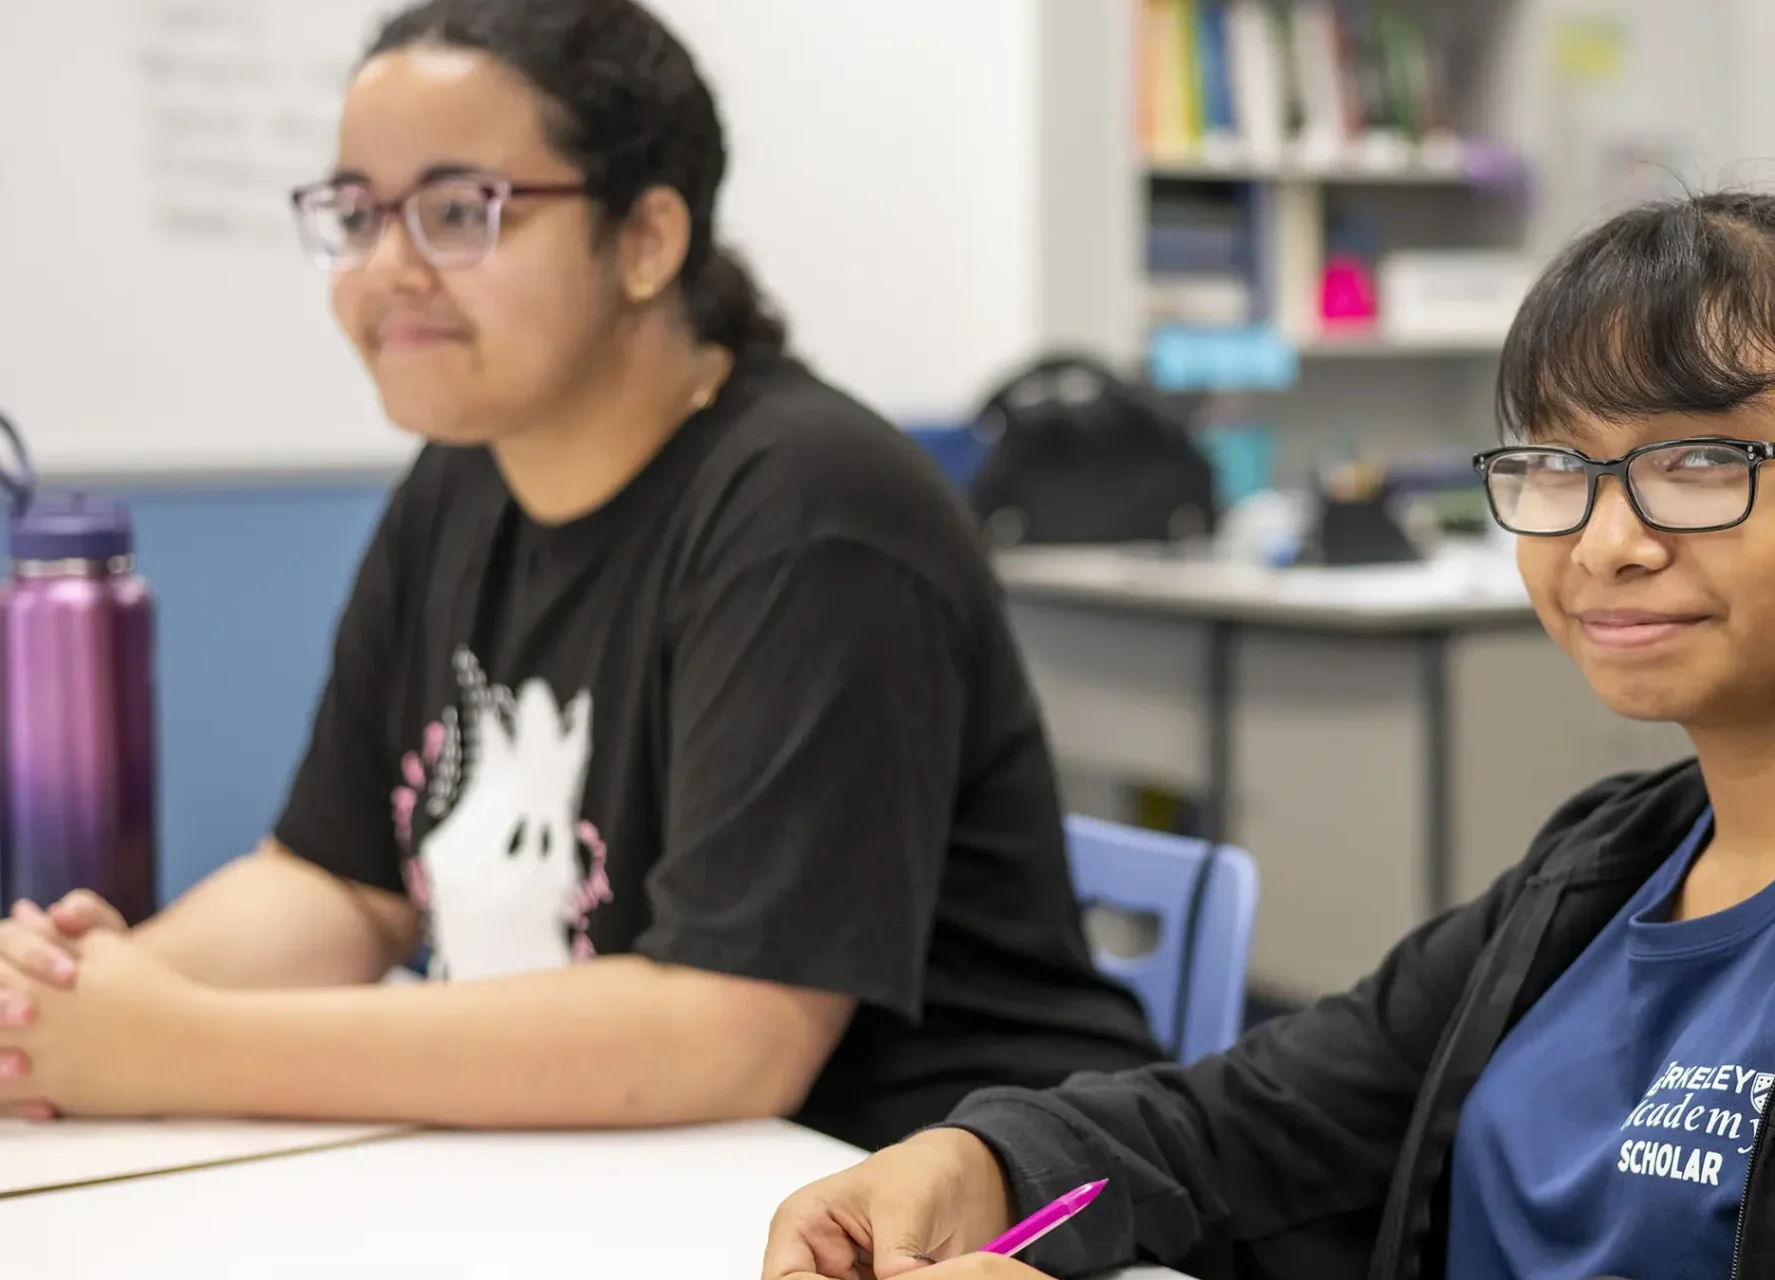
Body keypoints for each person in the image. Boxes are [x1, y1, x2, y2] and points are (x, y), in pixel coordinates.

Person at [761, 192, 1775, 1280]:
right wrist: (996, 1161)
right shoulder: (1610, 867)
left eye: (1700, 464)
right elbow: (1259, 1114)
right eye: (1554, 469)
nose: (1606, 541)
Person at [0, 0, 1161, 1150]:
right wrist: (61, 1007)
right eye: (357, 214)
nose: (387, 267)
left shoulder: (813, 512)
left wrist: (179, 1044)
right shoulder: (457, 482)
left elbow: (728, 1029)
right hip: (630, 1172)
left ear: (647, 238)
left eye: (459, 211)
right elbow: (338, 885)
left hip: (929, 1191)